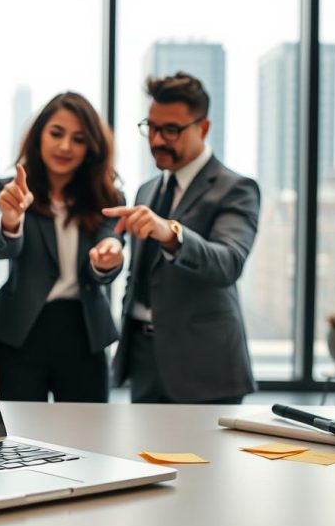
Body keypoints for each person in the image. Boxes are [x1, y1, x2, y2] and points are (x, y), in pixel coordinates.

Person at [103, 72, 260, 404]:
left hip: (205, 366)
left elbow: (229, 263)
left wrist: (171, 233)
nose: (157, 139)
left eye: (171, 130)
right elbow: (142, 276)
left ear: (203, 128)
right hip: (143, 360)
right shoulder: (147, 190)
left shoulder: (235, 189)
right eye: (151, 127)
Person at [0, 92, 125, 402]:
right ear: (39, 135)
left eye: (78, 139)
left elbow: (110, 242)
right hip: (21, 329)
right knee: (20, 428)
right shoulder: (11, 189)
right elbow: (1, 248)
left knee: (88, 428)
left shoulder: (108, 196)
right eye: (56, 133)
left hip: (84, 330)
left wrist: (108, 257)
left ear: (91, 147)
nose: (65, 146)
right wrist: (10, 219)